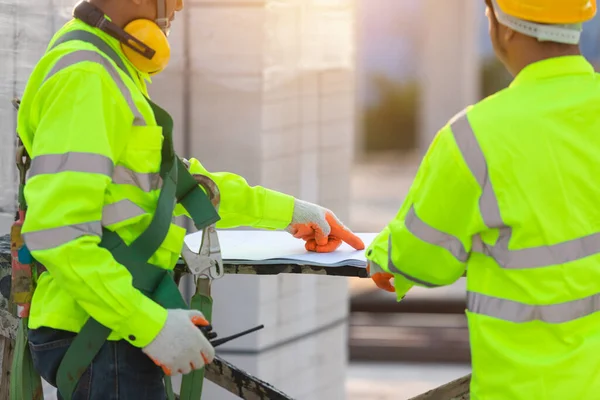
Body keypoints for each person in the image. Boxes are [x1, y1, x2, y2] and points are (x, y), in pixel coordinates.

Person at [15, 0, 365, 398]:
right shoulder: (87, 76)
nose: (180, 4)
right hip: (101, 335)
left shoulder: (105, 66)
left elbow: (179, 184)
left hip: (107, 329)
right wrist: (150, 325)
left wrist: (292, 213)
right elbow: (56, 233)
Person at [365, 0, 600, 399]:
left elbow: (422, 258)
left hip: (524, 389)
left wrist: (384, 255)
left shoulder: (475, 135)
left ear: (504, 26)